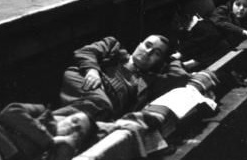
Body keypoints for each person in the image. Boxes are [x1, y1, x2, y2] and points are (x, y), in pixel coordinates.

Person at [59, 34, 189, 121]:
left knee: (86, 121)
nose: (148, 52)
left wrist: (173, 58)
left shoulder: (149, 81)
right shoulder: (113, 46)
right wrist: (92, 70)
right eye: (148, 45)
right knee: (100, 105)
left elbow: (180, 77)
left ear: (159, 61)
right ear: (139, 44)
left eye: (157, 53)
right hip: (84, 80)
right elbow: (85, 51)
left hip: (103, 110)